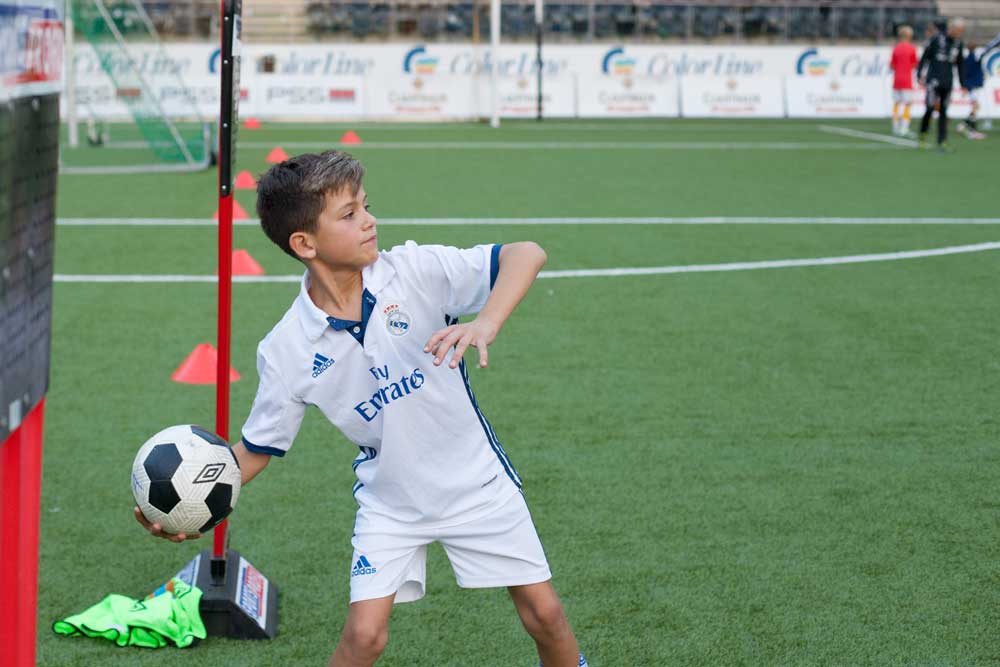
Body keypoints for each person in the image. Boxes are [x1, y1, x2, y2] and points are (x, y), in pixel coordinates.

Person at [134, 150, 587, 667]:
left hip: (478, 484)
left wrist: (486, 322)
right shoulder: (287, 349)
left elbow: (526, 253)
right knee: (365, 637)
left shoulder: (415, 270)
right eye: (349, 215)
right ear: (304, 243)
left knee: (545, 616)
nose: (369, 221)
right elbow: (256, 451)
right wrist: (197, 502)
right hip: (391, 503)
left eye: (365, 206)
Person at [917, 17, 969, 151]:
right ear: (951, 28)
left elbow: (960, 65)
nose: (959, 33)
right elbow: (925, 57)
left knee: (944, 112)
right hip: (933, 80)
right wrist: (919, 74)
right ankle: (923, 133)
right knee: (929, 107)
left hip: (948, 81)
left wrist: (963, 84)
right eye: (958, 30)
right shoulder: (936, 39)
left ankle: (942, 140)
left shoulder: (958, 44)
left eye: (961, 31)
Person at [889, 25, 919, 137]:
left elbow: (892, 65)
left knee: (897, 103)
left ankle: (895, 127)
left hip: (897, 79)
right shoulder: (911, 48)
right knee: (907, 103)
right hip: (907, 80)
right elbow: (915, 64)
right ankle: (904, 128)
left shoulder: (896, 48)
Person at [956, 43, 987, 139]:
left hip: (970, 86)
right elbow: (987, 50)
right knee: (975, 107)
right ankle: (967, 127)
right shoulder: (974, 58)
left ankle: (968, 127)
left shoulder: (966, 59)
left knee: (975, 107)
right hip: (974, 86)